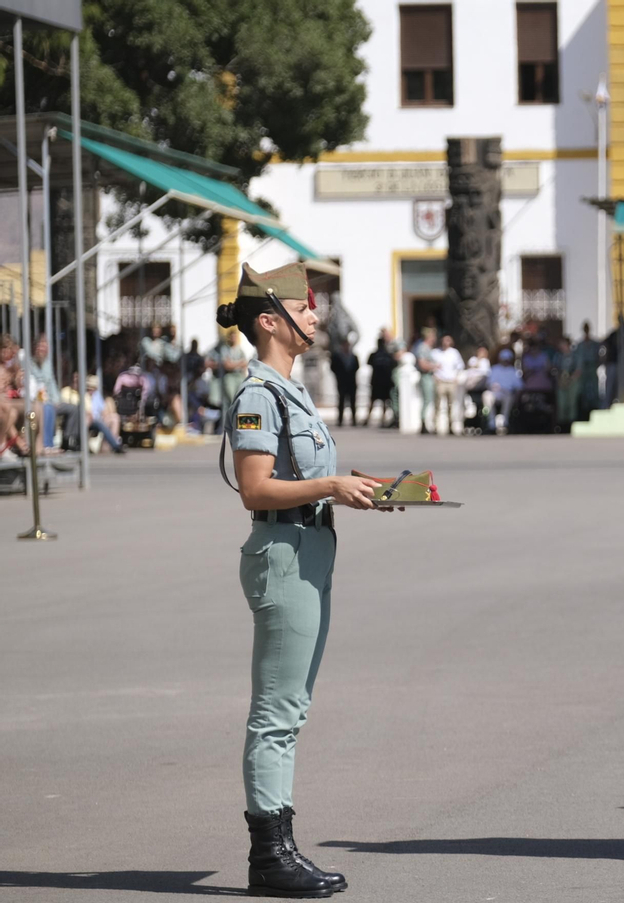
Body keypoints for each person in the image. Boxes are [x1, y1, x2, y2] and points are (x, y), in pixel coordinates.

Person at [217, 262, 388, 898]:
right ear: (271, 321)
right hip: (284, 551)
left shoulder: (291, 389)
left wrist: (358, 487)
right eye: (305, 308)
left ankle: (277, 848)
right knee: (276, 713)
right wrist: (331, 486)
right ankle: (270, 854)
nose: (315, 316)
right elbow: (255, 488)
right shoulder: (259, 393)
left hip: (309, 546)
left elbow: (303, 474)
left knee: (291, 708)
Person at [432, 334, 465, 436]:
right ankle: (436, 426)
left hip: (451, 381)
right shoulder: (436, 353)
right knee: (438, 404)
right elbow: (432, 365)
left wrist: (456, 377)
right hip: (440, 381)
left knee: (451, 404)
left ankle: (451, 425)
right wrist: (435, 375)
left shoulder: (454, 353)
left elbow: (460, 365)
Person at [365, 330, 397, 428]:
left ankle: (371, 419)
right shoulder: (385, 355)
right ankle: (376, 419)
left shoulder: (377, 355)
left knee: (379, 401)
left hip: (379, 381)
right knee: (379, 401)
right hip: (381, 381)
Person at [485, 349, 522, 433]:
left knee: (509, 398)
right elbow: (488, 383)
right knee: (486, 396)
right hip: (494, 392)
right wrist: (493, 387)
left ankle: (504, 422)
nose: (505, 361)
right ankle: (491, 423)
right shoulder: (494, 369)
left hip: (507, 393)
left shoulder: (513, 371)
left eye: (507, 359)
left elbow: (519, 386)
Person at [411, 329, 438, 434]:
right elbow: (422, 364)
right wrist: (434, 366)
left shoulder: (428, 348)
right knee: (427, 400)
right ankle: (423, 423)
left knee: (430, 400)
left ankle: (429, 422)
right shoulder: (422, 348)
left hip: (430, 376)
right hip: (425, 376)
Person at [329, 339, 360, 428]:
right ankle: (340, 420)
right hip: (341, 381)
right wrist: (339, 374)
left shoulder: (353, 356)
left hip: (351, 382)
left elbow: (357, 367)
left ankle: (354, 420)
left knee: (353, 401)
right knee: (341, 401)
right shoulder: (337, 357)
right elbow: (333, 367)